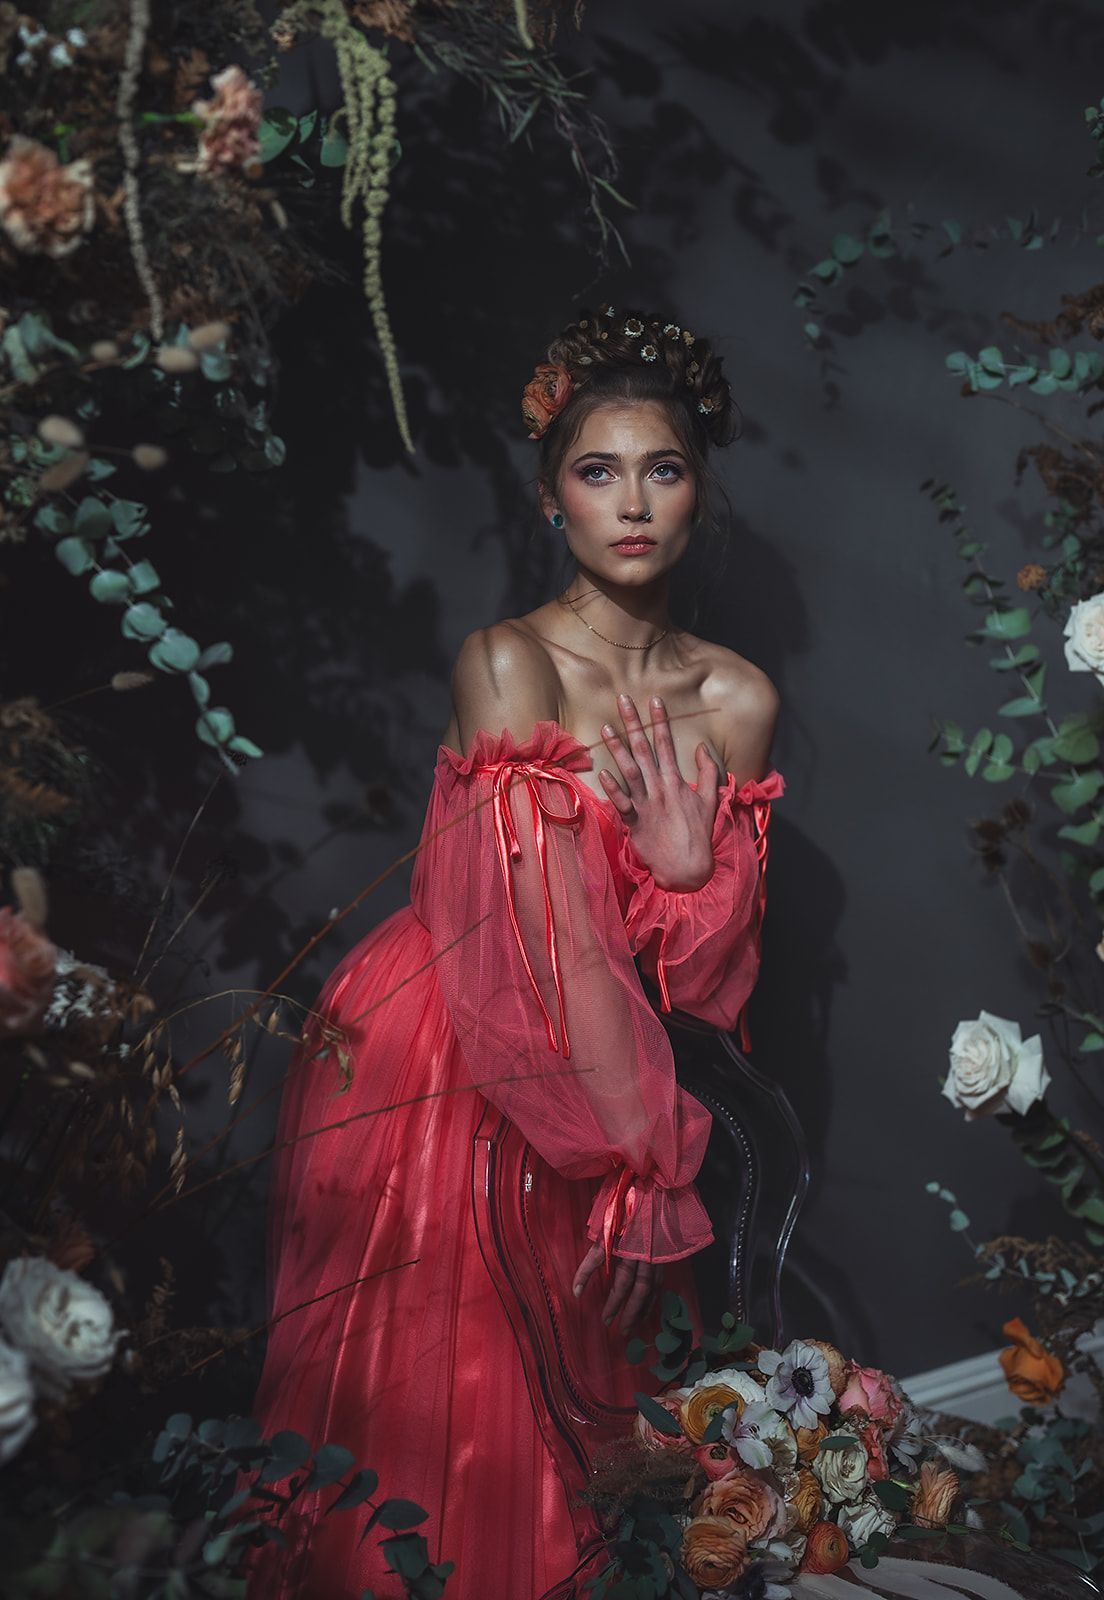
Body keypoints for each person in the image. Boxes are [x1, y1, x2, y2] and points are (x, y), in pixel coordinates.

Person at [248, 302, 784, 1599]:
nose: (633, 503)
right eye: (598, 474)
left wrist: (686, 871)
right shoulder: (510, 664)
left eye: (662, 469)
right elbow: (534, 944)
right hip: (451, 1046)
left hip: (619, 1063)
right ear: (552, 503)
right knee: (450, 1391)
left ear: (701, 490)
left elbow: (701, 993)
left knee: (591, 1393)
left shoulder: (736, 698)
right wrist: (632, 1168)